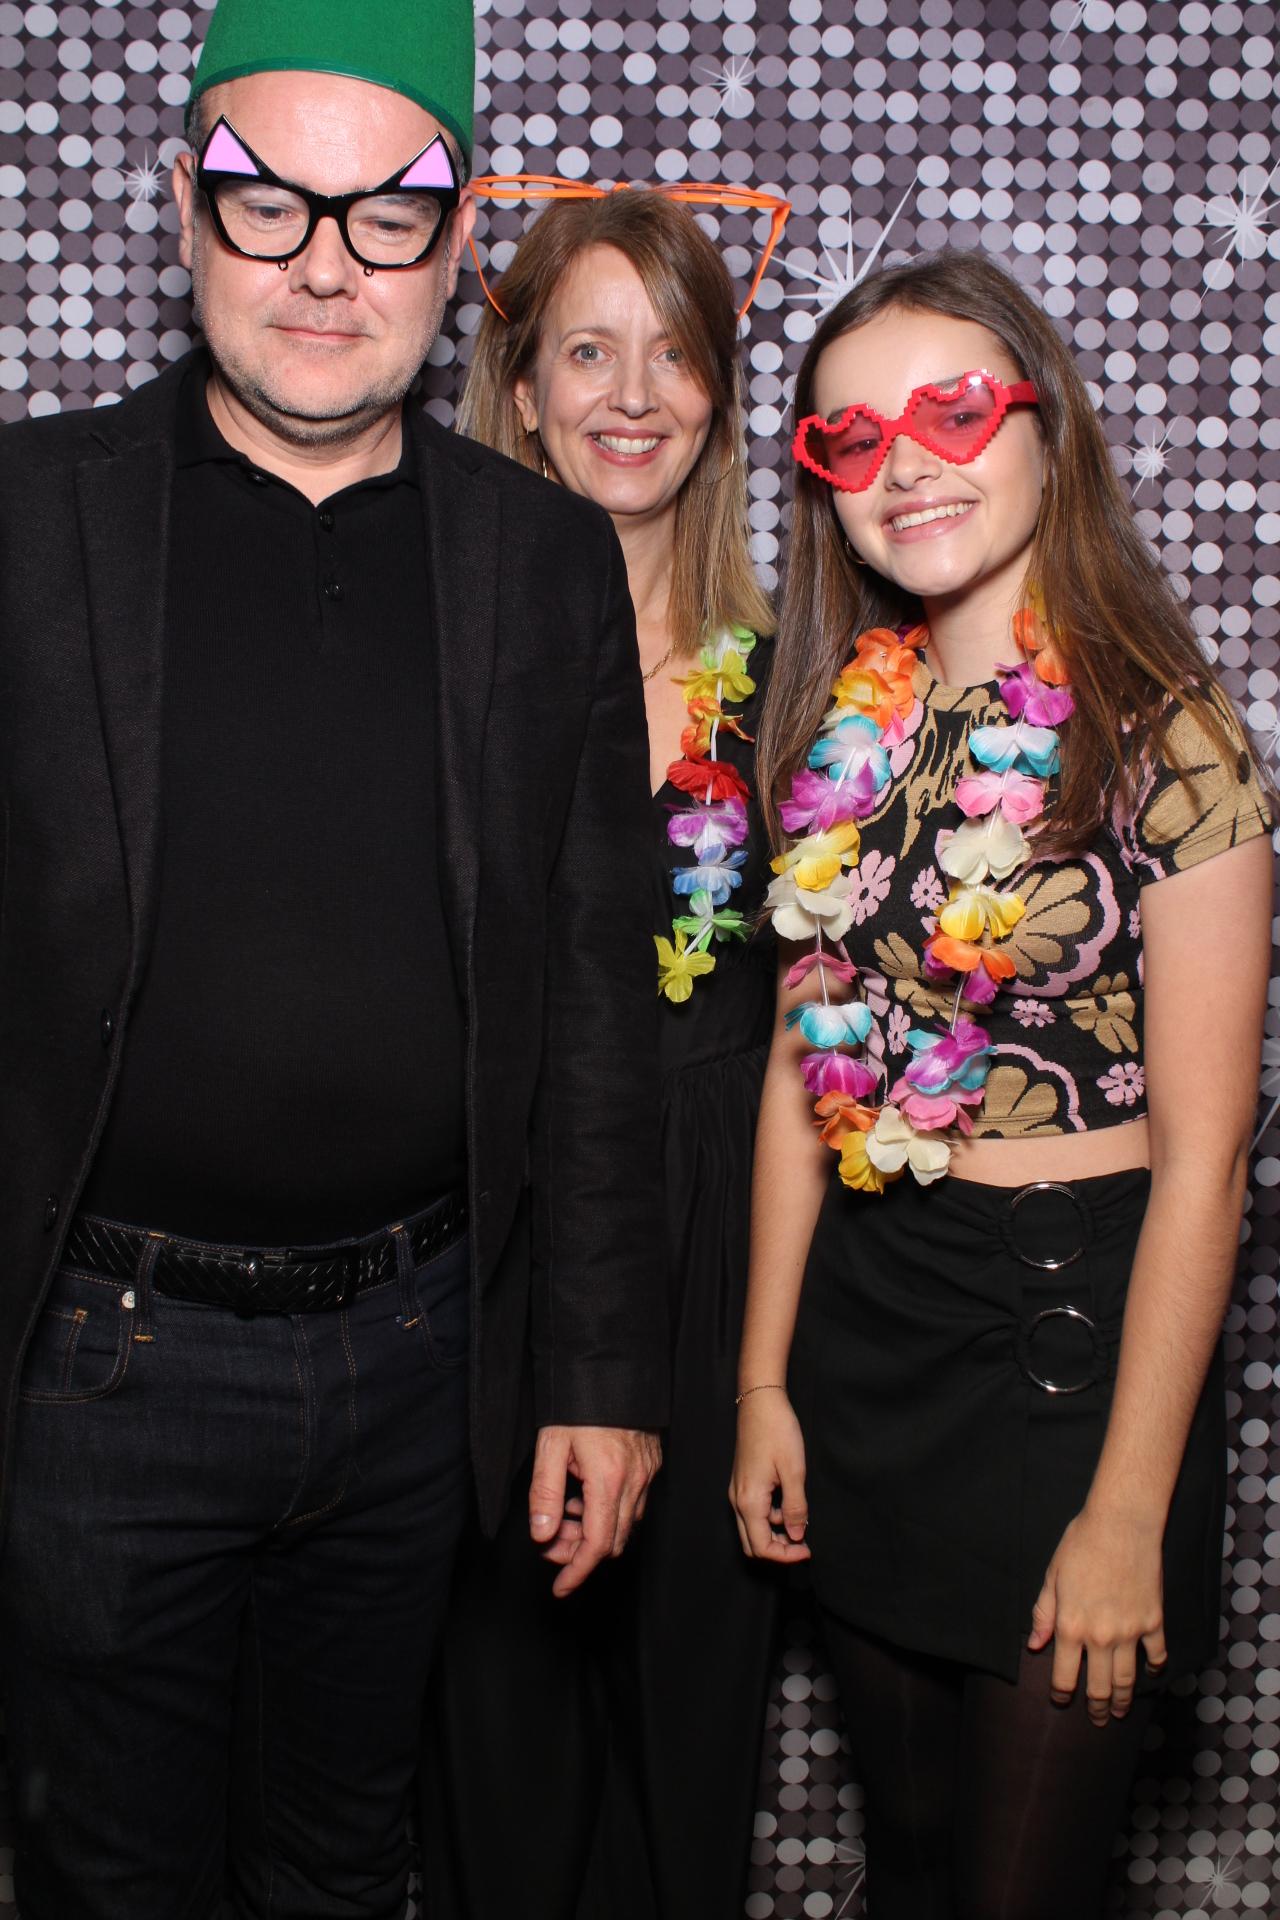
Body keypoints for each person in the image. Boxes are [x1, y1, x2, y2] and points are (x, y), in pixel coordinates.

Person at [0, 2, 669, 1915]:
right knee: (109, 1880)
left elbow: (599, 1001)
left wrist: (600, 1371)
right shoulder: (27, 520)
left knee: (348, 1864)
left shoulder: (544, 561)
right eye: (266, 199)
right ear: (182, 210)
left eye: (387, 212)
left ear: (455, 245)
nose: (325, 262)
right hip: (100, 1368)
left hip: (419, 1363)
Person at [730, 250, 1271, 1920]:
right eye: (851, 436)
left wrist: (1126, 1507)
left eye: (954, 411)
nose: (905, 462)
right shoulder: (846, 731)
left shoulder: (1166, 735)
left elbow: (1209, 1159)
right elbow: (800, 1072)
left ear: (1048, 428)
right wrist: (762, 1384)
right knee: (909, 1869)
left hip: (1069, 1356)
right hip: (871, 1329)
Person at [420, 190, 782, 1920]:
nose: (634, 395)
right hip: (498, 1249)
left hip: (727, 1253)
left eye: (676, 354)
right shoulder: (433, 666)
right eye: (588, 350)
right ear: (520, 384)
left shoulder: (800, 686)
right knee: (496, 1758)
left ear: (719, 397)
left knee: (690, 1754)